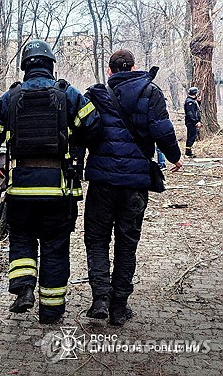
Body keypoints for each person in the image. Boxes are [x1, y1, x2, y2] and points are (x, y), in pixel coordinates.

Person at [0, 39, 101, 324]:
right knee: (55, 247)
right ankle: (51, 311)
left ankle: (23, 289)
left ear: (24, 68)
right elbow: (94, 128)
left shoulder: (10, 99)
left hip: (20, 189)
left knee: (21, 239)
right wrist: (73, 137)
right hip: (58, 190)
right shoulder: (67, 94)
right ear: (51, 65)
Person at [83, 49, 183, 325]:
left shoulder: (96, 96)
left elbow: (83, 132)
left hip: (102, 182)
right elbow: (162, 130)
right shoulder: (151, 93)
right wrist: (175, 157)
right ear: (134, 66)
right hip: (135, 184)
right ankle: (119, 307)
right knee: (127, 246)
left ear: (110, 70)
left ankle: (100, 298)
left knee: (96, 240)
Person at [184, 87, 202, 158]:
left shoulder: (192, 101)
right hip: (191, 123)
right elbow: (191, 113)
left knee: (192, 136)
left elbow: (196, 110)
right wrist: (196, 121)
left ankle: (188, 151)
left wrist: (198, 102)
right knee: (191, 137)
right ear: (195, 93)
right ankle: (188, 152)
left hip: (192, 122)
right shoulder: (190, 102)